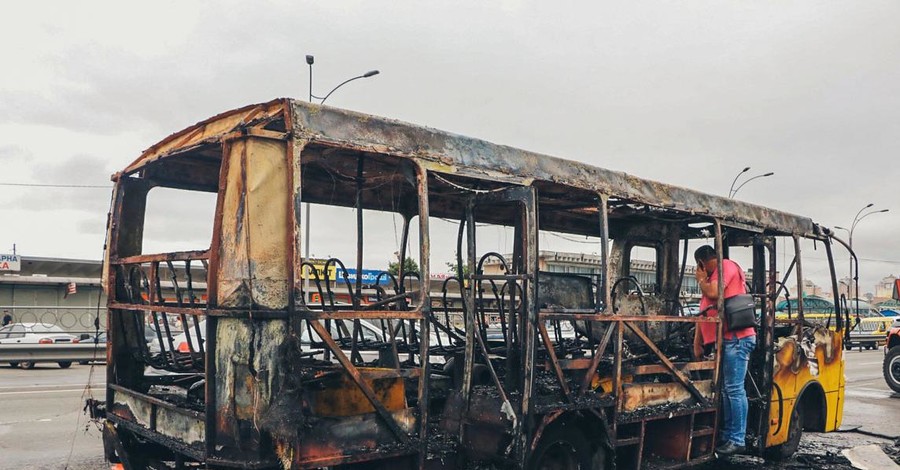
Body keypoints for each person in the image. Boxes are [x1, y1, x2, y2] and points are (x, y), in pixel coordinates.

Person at [692, 245, 756, 456]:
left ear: (702, 262)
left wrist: (701, 279)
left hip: (738, 339)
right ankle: (729, 435)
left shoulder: (725, 266)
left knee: (735, 389)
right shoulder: (715, 275)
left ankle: (737, 438)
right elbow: (704, 312)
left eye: (701, 267)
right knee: (728, 390)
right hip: (726, 340)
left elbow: (714, 292)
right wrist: (698, 342)